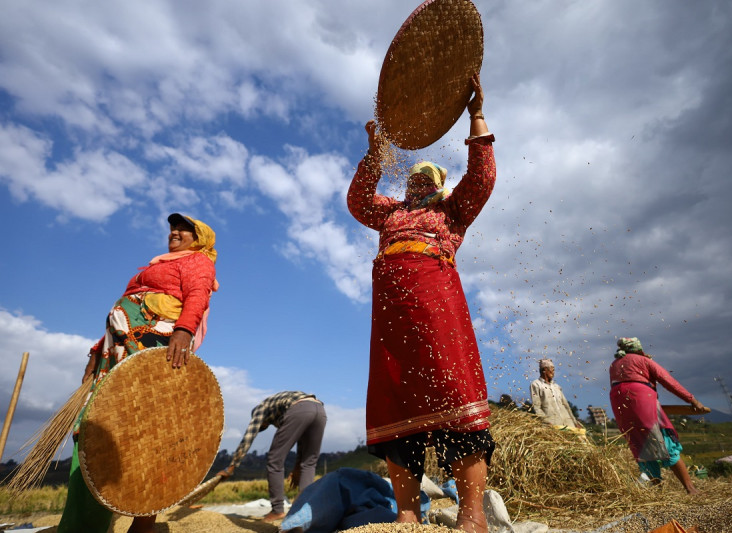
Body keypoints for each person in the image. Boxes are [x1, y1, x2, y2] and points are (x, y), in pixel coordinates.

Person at [347, 73, 495, 533]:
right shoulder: (389, 213)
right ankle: (406, 516)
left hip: (437, 307)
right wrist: (375, 156)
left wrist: (476, 116)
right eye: (411, 176)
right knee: (395, 401)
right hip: (390, 319)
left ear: (438, 185)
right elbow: (357, 201)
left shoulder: (451, 211)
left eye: (425, 177)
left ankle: (472, 518)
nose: (415, 181)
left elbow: (482, 177)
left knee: (452, 390)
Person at [58, 213, 219, 533]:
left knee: (147, 428)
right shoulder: (155, 266)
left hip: (152, 345)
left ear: (200, 239)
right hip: (115, 353)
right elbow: (122, 315)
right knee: (93, 429)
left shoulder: (197, 262)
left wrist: (184, 331)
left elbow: (198, 295)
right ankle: (82, 523)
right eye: (173, 227)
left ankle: (144, 519)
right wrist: (96, 352)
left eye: (185, 229)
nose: (175, 231)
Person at [608, 337, 707, 495]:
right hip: (641, 398)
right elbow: (668, 381)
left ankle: (657, 492)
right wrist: (692, 400)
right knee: (664, 440)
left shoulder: (614, 365)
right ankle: (691, 489)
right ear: (638, 349)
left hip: (619, 403)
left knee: (641, 444)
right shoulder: (643, 360)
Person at [218, 391, 327, 522]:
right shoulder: (280, 408)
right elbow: (301, 438)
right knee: (309, 463)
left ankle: (277, 510)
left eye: (263, 425)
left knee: (275, 460)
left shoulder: (260, 409)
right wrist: (297, 466)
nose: (265, 425)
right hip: (320, 410)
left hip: (300, 408)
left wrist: (231, 466)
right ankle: (303, 510)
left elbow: (249, 436)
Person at [530, 358, 582, 429]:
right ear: (544, 370)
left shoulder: (556, 386)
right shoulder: (536, 385)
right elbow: (537, 407)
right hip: (552, 425)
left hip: (568, 424)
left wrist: (575, 422)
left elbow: (566, 405)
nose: (554, 372)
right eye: (552, 369)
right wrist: (546, 421)